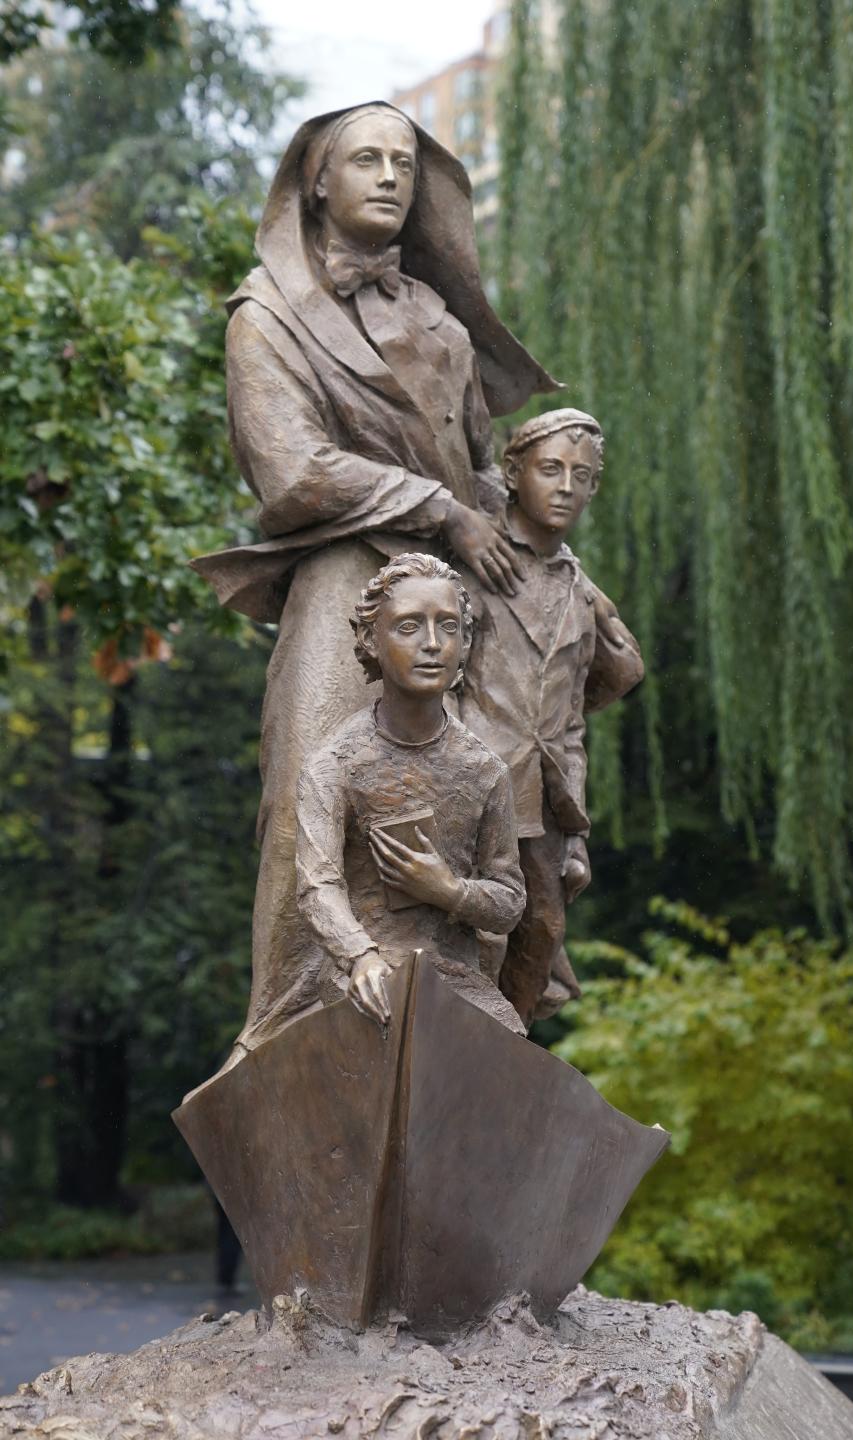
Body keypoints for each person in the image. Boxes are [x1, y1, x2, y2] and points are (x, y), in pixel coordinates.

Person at [190, 103, 558, 1052]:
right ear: (317, 181)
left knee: (493, 797)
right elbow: (293, 469)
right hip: (345, 578)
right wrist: (436, 508)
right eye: (366, 160)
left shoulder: (439, 321)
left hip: (460, 598)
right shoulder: (266, 316)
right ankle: (282, 1035)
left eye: (404, 161)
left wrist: (521, 548)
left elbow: (477, 463)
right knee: (307, 792)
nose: (391, 176)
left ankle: (466, 1025)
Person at [459, 410, 645, 1028]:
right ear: (513, 474)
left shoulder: (579, 590)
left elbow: (570, 723)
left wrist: (577, 831)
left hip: (543, 800)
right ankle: (453, 1059)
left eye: (582, 476)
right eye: (551, 469)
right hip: (473, 784)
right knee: (474, 936)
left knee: (542, 930)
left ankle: (498, 1058)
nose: (566, 485)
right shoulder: (474, 562)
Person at [294, 553, 526, 1035]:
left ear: (465, 644)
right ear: (369, 640)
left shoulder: (485, 771)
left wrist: (450, 891)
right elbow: (318, 885)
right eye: (409, 627)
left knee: (502, 1061)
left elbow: (508, 902)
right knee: (393, 1033)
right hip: (362, 976)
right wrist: (360, 955)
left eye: (448, 627)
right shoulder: (334, 766)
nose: (433, 644)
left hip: (456, 980)